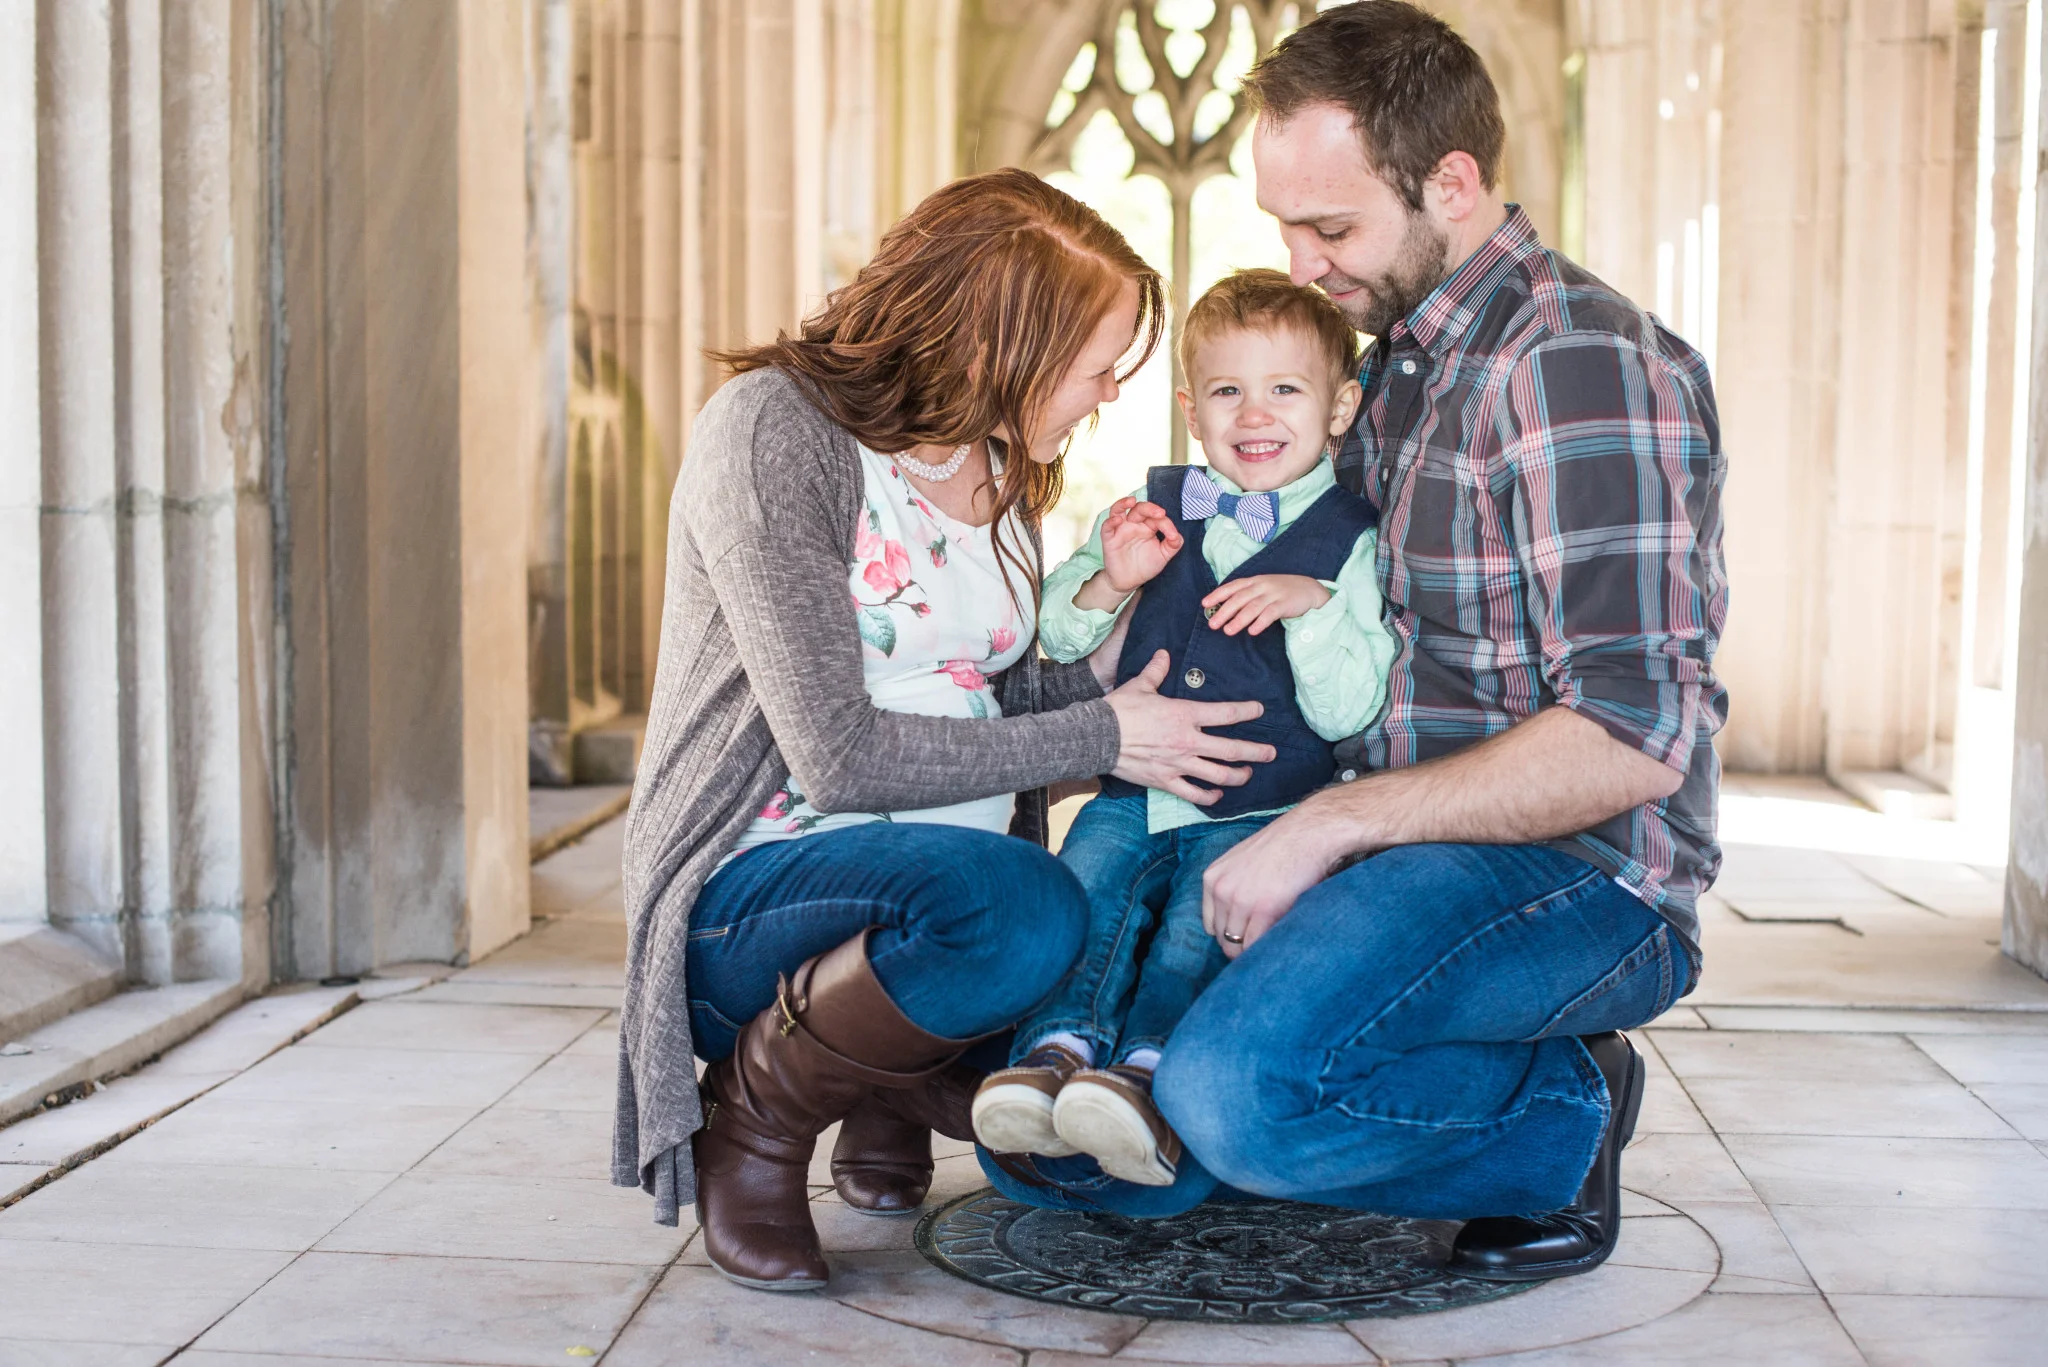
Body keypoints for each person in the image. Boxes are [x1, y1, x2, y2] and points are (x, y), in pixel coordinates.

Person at [981, 0, 1728, 1285]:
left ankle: (1565, 1114)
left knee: (1229, 1103)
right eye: (1285, 225)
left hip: (1568, 870)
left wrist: (1329, 825)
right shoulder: (1389, 367)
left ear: (1452, 181)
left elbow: (1633, 735)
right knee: (1075, 1142)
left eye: (1331, 227)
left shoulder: (1573, 367)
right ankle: (1367, 1063)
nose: (1307, 261)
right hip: (1380, 841)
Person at [611, 168, 1282, 1291]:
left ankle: (874, 1074)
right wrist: (1106, 738)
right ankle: (759, 1118)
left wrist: (1126, 664)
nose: (1107, 393)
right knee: (1028, 904)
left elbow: (990, 696)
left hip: (944, 913)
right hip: (754, 894)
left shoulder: (997, 460)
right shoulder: (772, 431)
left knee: (1120, 1161)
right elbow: (840, 751)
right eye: (1093, 364)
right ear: (997, 338)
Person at [971, 269, 1395, 1187]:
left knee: (1193, 937)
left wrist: (1311, 606)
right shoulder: (1156, 507)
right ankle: (1049, 1059)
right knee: (1084, 900)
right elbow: (1054, 632)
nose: (1256, 412)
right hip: (1131, 790)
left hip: (1257, 810)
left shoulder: (1351, 539)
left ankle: (1143, 1081)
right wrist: (1110, 579)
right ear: (1190, 410)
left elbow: (1350, 706)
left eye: (1286, 388)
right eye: (1227, 389)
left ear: (1339, 406)